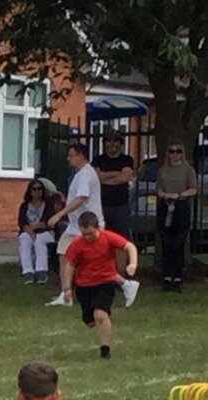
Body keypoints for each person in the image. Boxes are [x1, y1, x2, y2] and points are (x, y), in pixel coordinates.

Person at [62, 211, 138, 360]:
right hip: (84, 285)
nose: (87, 237)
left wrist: (132, 264)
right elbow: (69, 265)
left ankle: (105, 350)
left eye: (91, 234)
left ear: (98, 228)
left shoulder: (108, 237)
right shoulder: (77, 244)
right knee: (90, 321)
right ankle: (93, 320)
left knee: (100, 314)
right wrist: (66, 288)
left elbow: (129, 246)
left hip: (105, 283)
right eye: (84, 234)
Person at [46, 143, 107, 307]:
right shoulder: (81, 174)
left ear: (81, 156)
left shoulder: (86, 174)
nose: (68, 159)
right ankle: (65, 294)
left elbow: (81, 198)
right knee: (63, 254)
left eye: (71, 155)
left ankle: (122, 284)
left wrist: (59, 214)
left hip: (88, 226)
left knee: (92, 262)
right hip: (75, 226)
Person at [93, 128, 141, 304]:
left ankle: (120, 275)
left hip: (120, 206)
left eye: (115, 141)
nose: (112, 144)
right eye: (108, 141)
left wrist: (107, 178)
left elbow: (125, 178)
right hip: (102, 206)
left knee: (120, 242)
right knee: (102, 242)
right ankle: (104, 275)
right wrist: (116, 173)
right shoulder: (98, 159)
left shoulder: (126, 159)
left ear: (120, 143)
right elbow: (97, 178)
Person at [156, 141, 198, 292]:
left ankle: (178, 277)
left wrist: (179, 195)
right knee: (166, 243)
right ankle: (167, 277)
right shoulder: (163, 170)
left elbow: (193, 189)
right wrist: (165, 195)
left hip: (180, 207)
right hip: (165, 206)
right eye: (171, 151)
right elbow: (159, 189)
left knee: (178, 244)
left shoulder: (188, 170)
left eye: (178, 151)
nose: (174, 154)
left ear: (182, 153)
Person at [17, 179, 55, 284]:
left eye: (40, 189)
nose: (37, 191)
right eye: (34, 189)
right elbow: (22, 223)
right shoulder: (24, 206)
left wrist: (35, 227)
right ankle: (27, 272)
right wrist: (31, 232)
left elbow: (48, 223)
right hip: (28, 232)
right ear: (30, 191)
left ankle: (41, 271)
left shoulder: (48, 205)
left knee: (40, 240)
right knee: (24, 239)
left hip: (46, 233)